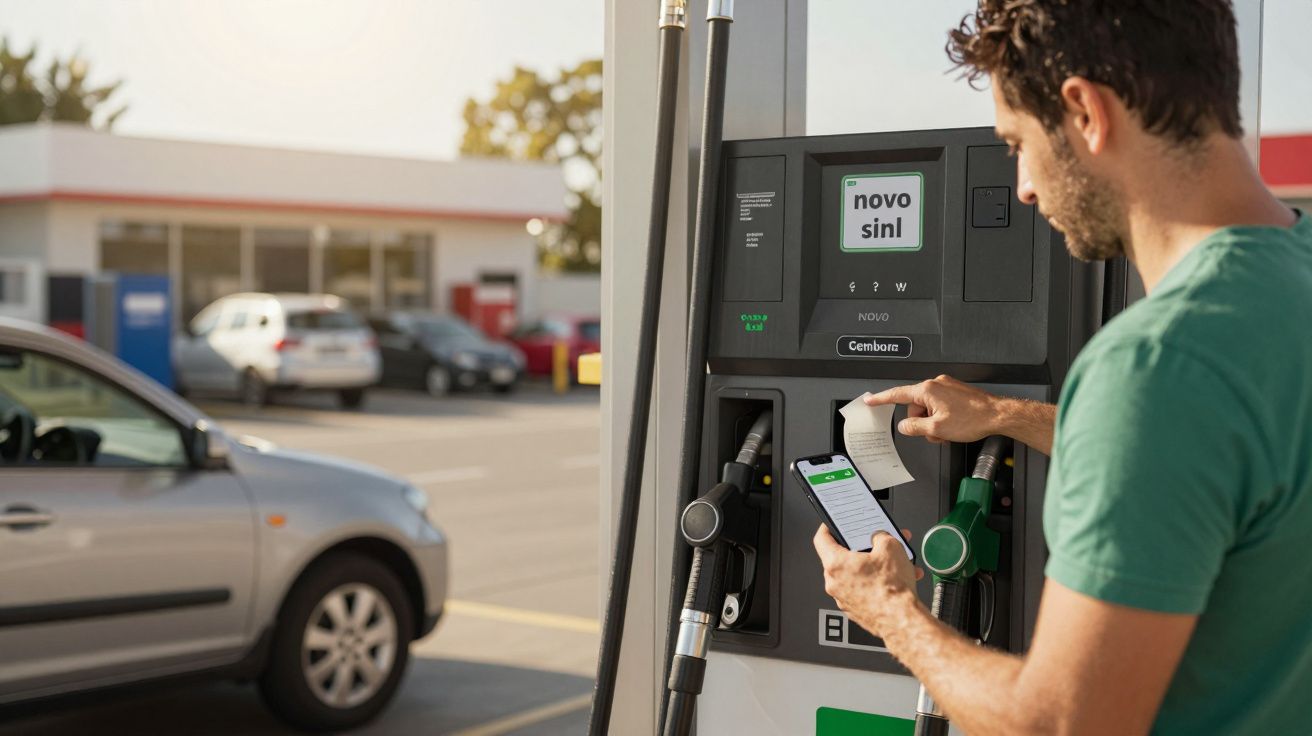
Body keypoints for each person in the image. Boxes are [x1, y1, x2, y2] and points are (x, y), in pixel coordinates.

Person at [811, 1, 1312, 734]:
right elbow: (1226, 456)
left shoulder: (1154, 364)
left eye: (1018, 142)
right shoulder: (1285, 286)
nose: (1021, 185)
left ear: (1085, 111)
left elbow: (1060, 722)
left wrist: (890, 612)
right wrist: (1010, 416)